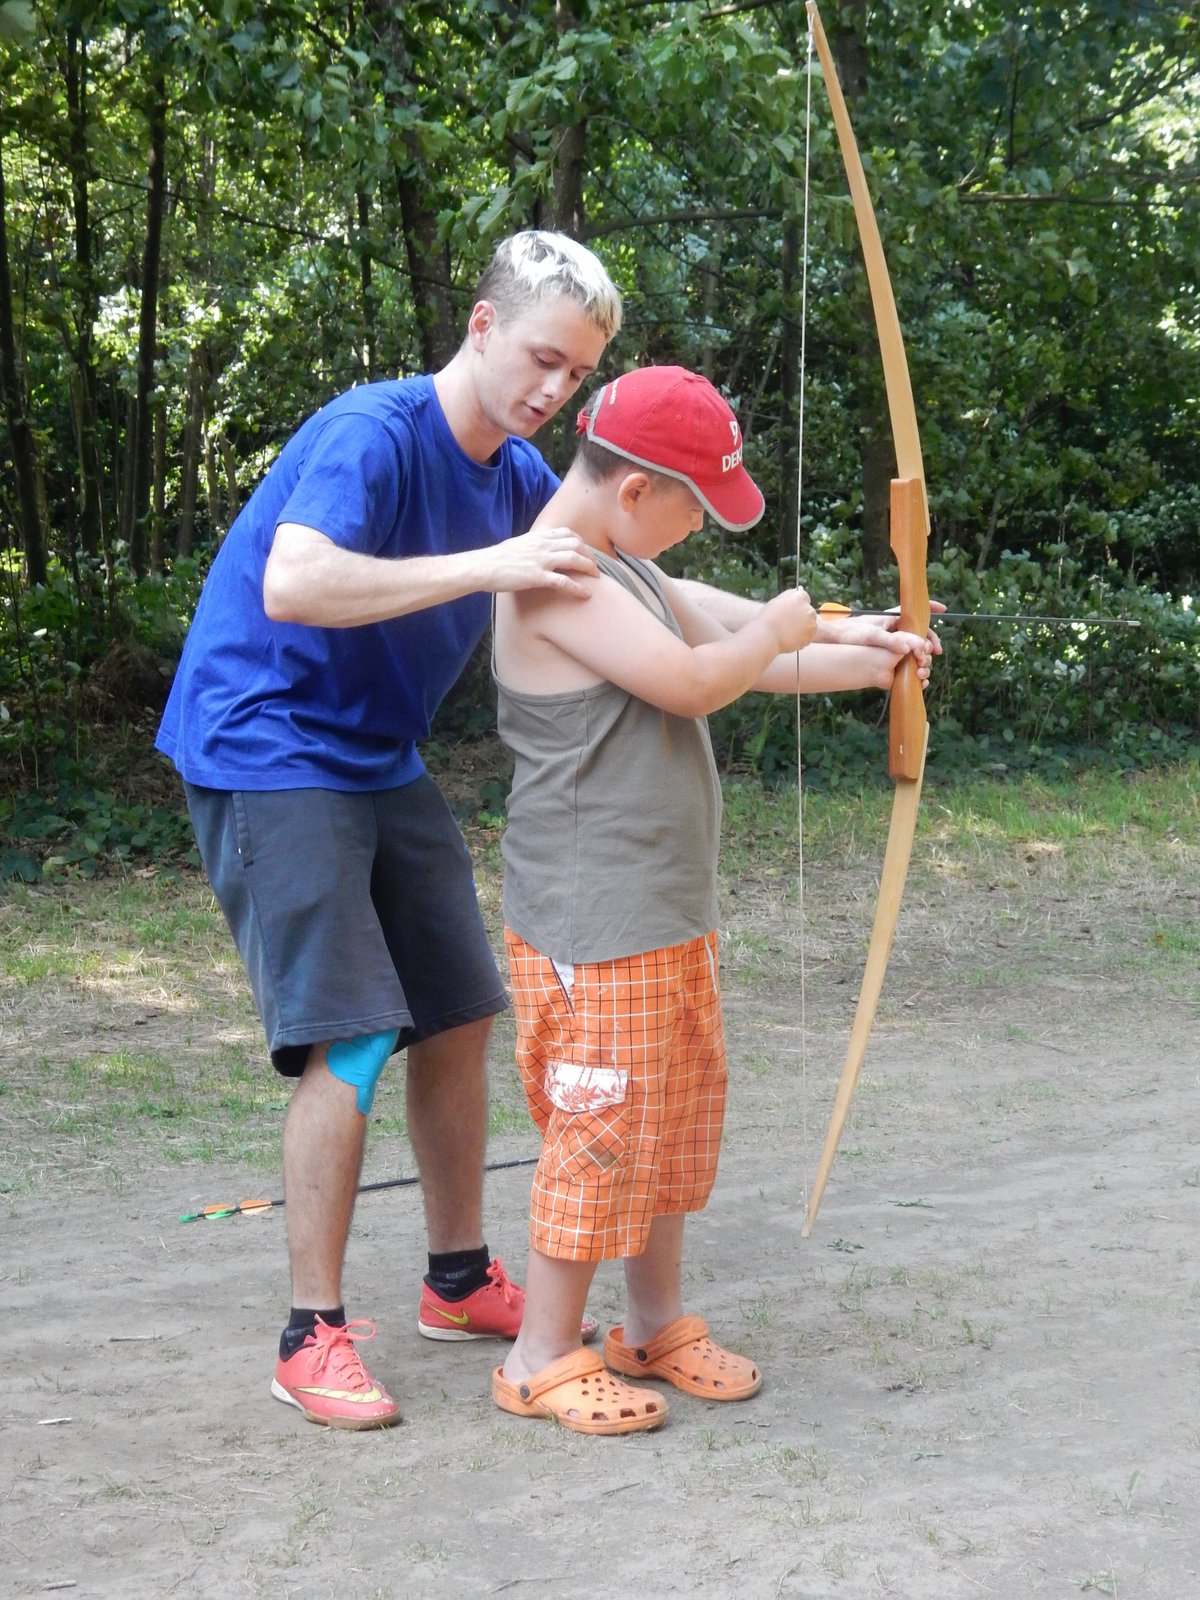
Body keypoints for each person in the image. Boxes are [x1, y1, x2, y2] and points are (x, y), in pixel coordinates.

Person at [155, 230, 625, 1430]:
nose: (554, 388)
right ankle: (308, 1333)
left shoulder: (518, 474)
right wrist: (491, 564)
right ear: (481, 325)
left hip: (376, 754)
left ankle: (456, 1279)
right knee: (356, 1029)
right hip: (267, 741)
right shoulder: (375, 431)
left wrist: (818, 635)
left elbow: (618, 575)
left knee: (458, 1010)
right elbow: (296, 581)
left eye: (577, 373)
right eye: (542, 357)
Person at [490, 365, 935, 1435]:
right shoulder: (556, 575)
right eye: (697, 506)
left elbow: (731, 638)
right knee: (602, 1126)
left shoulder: (624, 563)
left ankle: (651, 1324)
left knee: (669, 1122)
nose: (702, 527)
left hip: (660, 918)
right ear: (637, 489)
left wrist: (868, 651)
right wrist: (781, 632)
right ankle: (541, 1354)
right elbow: (702, 675)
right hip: (595, 924)